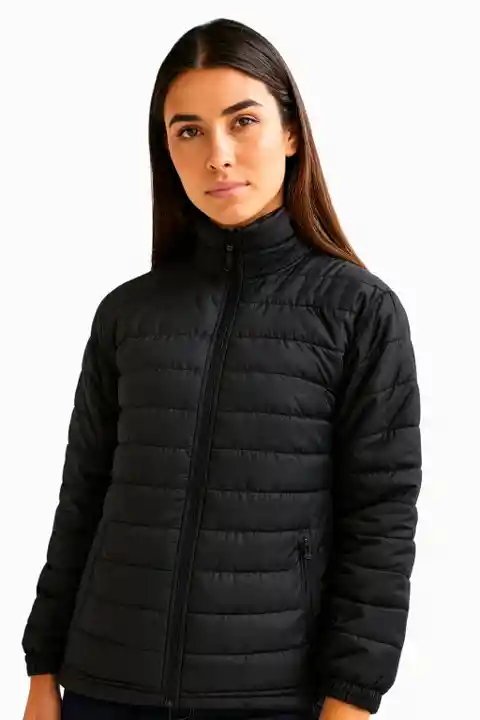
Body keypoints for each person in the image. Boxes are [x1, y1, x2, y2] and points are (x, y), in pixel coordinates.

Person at [21, 16, 422, 720]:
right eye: (189, 131)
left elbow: (380, 524)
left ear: (291, 133)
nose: (218, 155)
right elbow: (81, 499)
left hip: (269, 695)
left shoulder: (359, 311)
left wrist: (352, 700)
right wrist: (41, 670)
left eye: (243, 122)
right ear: (166, 151)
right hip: (102, 685)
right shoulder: (128, 314)